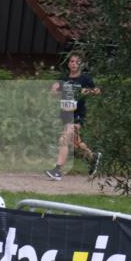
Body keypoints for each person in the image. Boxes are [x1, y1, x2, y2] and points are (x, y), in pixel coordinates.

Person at [45, 51, 102, 181]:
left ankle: (57, 170)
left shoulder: (85, 79)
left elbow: (98, 91)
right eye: (71, 61)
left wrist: (86, 90)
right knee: (76, 142)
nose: (74, 64)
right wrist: (54, 89)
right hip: (65, 114)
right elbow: (54, 92)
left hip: (77, 115)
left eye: (77, 62)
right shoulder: (64, 78)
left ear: (81, 65)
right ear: (68, 63)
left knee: (64, 139)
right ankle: (93, 157)